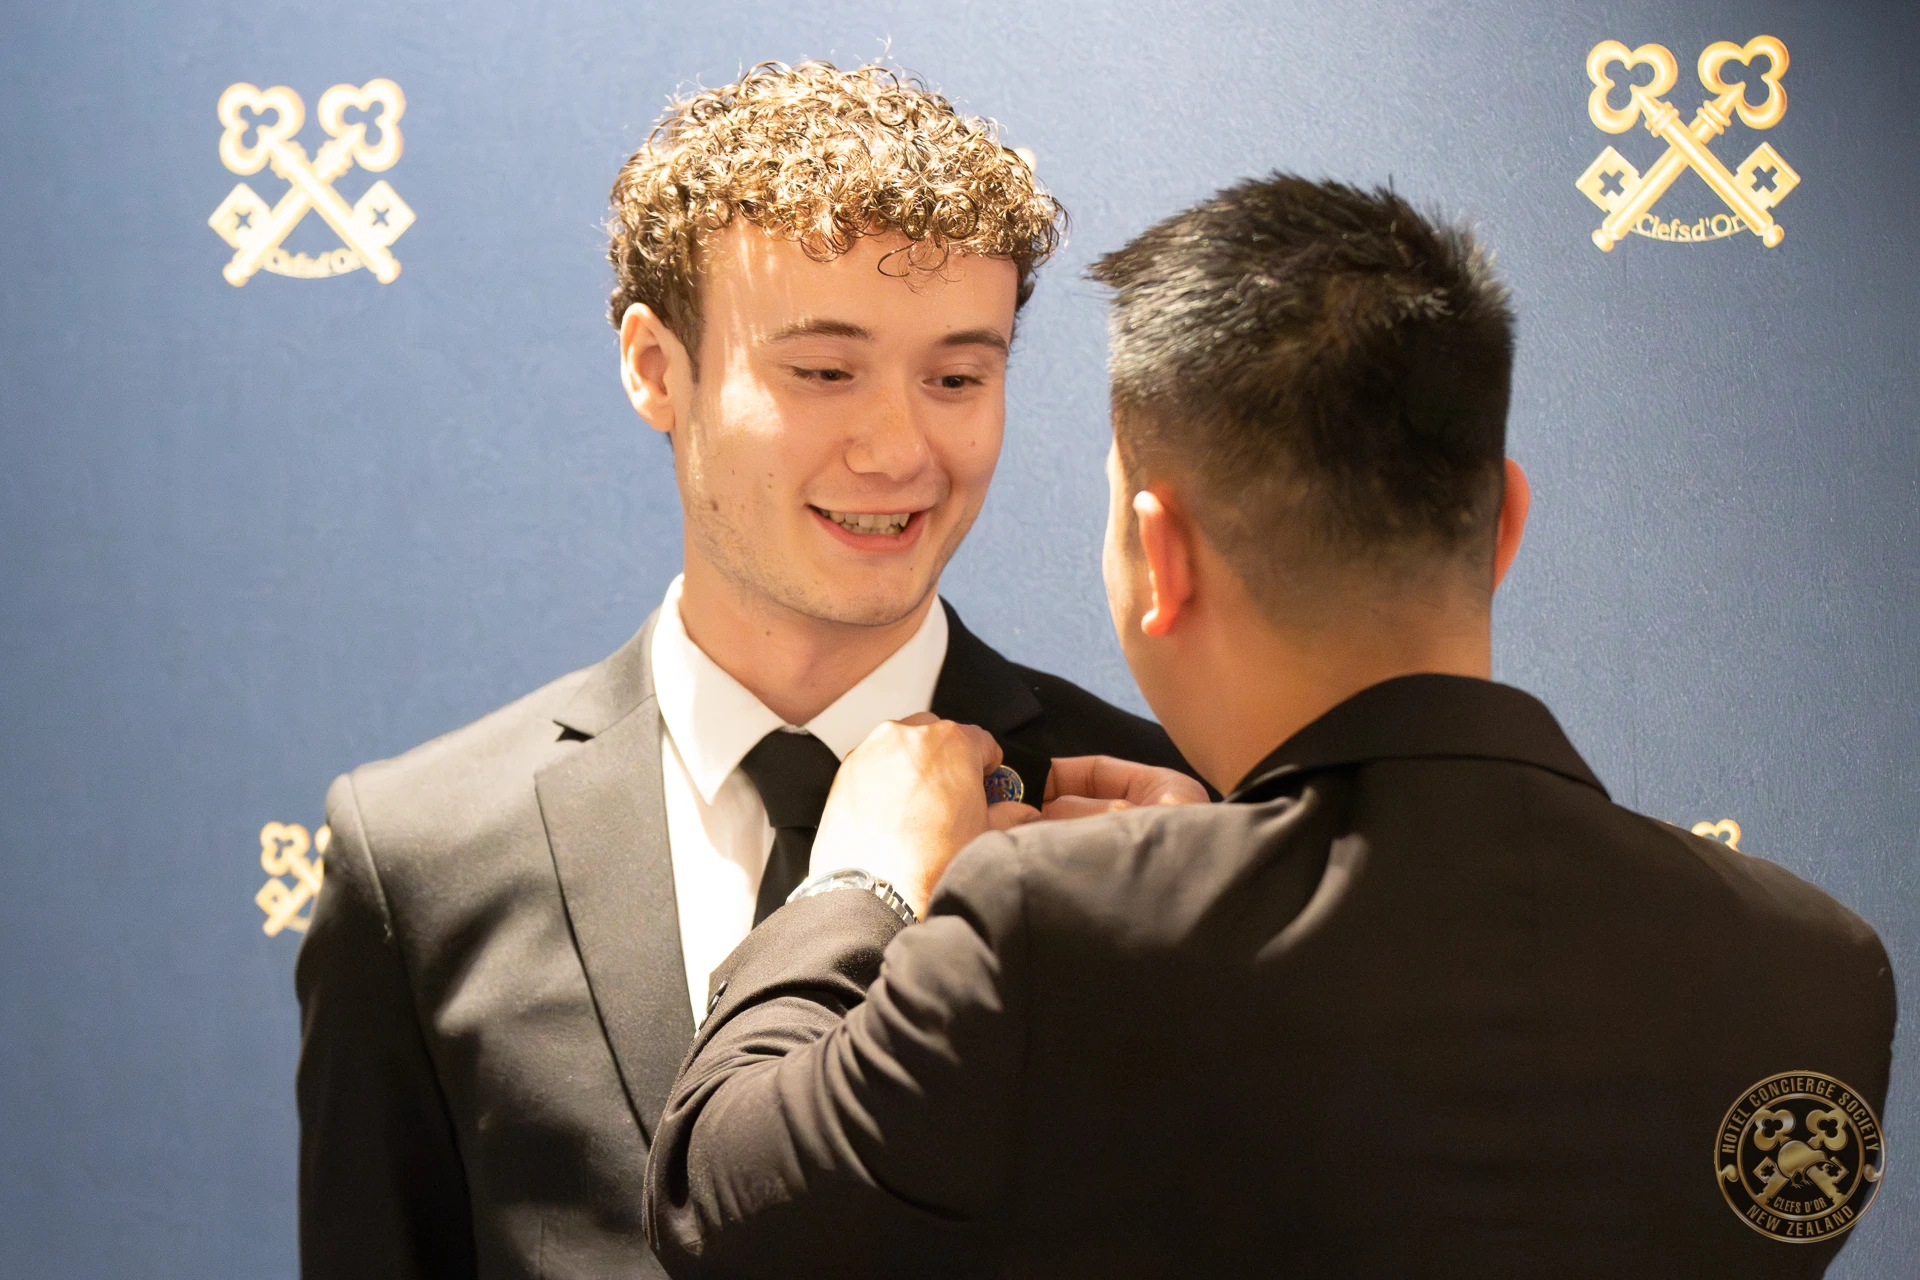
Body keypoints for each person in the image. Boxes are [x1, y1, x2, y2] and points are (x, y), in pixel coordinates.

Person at [643, 176, 1897, 1277]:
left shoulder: (1045, 922)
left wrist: (861, 882)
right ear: (1507, 522)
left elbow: (717, 1192)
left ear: (1161, 555)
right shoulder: (1821, 973)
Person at [295, 62, 1197, 1280]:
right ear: (655, 367)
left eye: (957, 377)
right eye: (823, 371)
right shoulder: (424, 853)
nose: (899, 448)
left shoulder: (1163, 824)